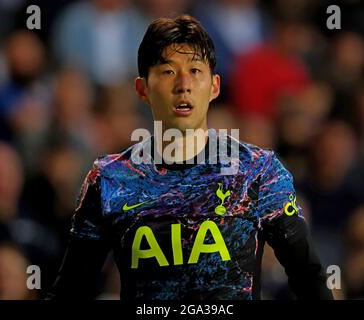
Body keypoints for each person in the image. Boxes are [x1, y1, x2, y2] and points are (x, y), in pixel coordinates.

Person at [47, 15, 333, 300]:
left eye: (195, 70)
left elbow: (309, 278)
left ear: (215, 86)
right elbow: (70, 290)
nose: (183, 84)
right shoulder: (109, 180)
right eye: (168, 71)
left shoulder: (258, 171)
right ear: (142, 89)